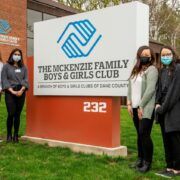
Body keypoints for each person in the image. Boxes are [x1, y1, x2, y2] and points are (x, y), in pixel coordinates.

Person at [127, 45, 158, 172]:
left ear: (151, 57)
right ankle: (140, 160)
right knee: (139, 135)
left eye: (147, 54)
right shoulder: (135, 70)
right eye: (143, 54)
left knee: (144, 134)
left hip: (145, 107)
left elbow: (151, 89)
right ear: (139, 55)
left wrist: (141, 105)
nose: (145, 56)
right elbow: (129, 87)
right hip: (134, 107)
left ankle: (147, 162)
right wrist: (129, 103)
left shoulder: (152, 70)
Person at [155, 46, 180, 177]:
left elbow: (174, 93)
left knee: (175, 140)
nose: (165, 57)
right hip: (162, 111)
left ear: (173, 54)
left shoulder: (178, 69)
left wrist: (162, 108)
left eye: (168, 54)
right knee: (166, 140)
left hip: (173, 111)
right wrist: (157, 103)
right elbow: (159, 90)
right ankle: (169, 166)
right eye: (163, 55)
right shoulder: (162, 71)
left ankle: (177, 168)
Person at [1, 48, 29, 143]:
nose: (17, 56)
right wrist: (12, 91)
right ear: (12, 55)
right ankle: (9, 135)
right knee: (11, 113)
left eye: (18, 54)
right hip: (10, 92)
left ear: (20, 56)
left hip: (21, 92)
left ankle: (16, 135)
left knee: (17, 115)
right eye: (15, 54)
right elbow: (4, 79)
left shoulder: (24, 67)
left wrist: (22, 90)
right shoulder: (6, 66)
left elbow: (26, 80)